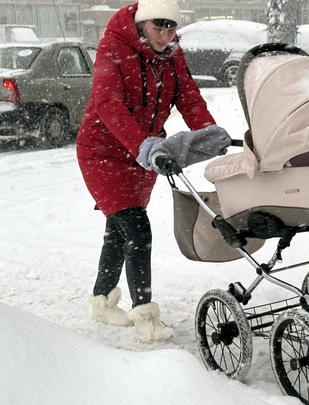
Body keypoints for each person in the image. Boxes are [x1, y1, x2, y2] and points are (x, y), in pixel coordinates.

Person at [76, 0, 230, 343]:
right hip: (103, 152)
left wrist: (208, 131)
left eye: (171, 28)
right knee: (137, 230)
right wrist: (142, 144)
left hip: (146, 154)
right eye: (157, 28)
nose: (165, 36)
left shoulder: (173, 54)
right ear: (141, 25)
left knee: (119, 229)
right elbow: (108, 103)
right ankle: (145, 317)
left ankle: (101, 301)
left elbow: (188, 97)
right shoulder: (113, 48)